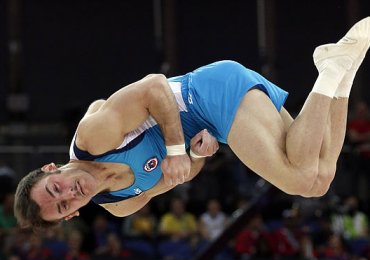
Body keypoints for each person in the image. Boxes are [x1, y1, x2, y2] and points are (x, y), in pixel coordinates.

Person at [14, 17, 370, 230]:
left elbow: (154, 84)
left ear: (50, 169)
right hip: (213, 123)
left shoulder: (92, 137)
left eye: (55, 189)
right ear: (71, 217)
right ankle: (341, 71)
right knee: (319, 180)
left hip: (206, 92)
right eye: (63, 206)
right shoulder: (121, 204)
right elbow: (181, 171)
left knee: (300, 178)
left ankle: (331, 69)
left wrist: (173, 148)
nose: (69, 195)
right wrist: (198, 156)